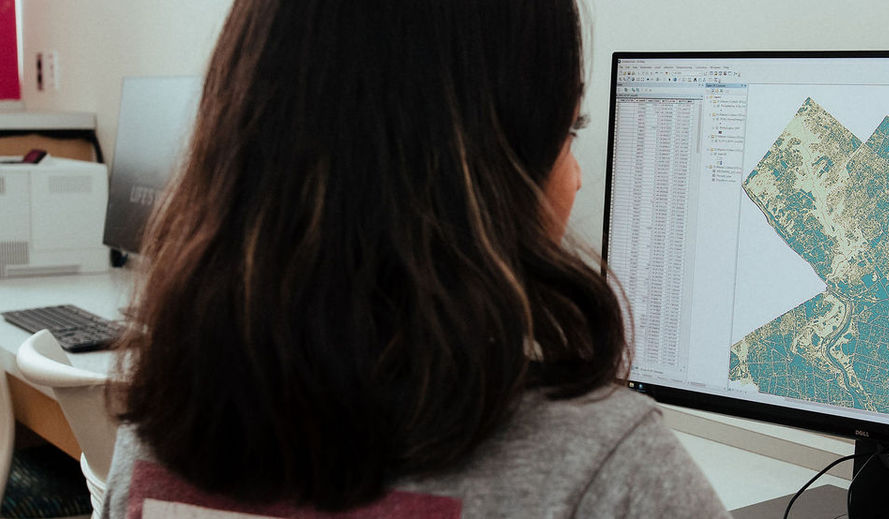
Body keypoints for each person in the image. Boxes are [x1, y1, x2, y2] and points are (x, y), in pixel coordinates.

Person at [99, 0, 729, 517]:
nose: (576, 178)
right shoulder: (605, 469)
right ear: (481, 174)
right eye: (569, 132)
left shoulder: (159, 430)